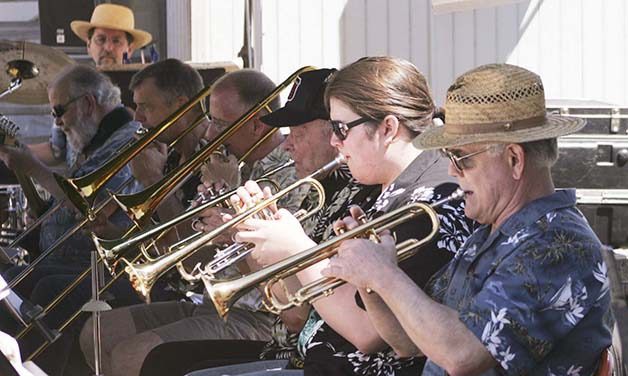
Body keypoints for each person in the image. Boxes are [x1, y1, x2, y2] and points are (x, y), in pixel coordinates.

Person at [322, 63, 614, 375]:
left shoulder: (556, 243)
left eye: (462, 158)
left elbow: (463, 355)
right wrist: (369, 279)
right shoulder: (491, 233)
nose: (451, 171)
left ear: (514, 159)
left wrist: (383, 275)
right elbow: (407, 342)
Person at [190, 56, 474, 376]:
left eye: (340, 128)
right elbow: (296, 303)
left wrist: (296, 249)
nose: (335, 142)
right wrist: (264, 234)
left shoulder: (432, 198)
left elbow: (368, 334)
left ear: (388, 128)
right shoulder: (375, 187)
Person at [136, 68, 381, 376]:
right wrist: (241, 235)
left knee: (163, 361)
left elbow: (294, 315)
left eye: (298, 133)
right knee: (160, 359)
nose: (287, 144)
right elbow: (285, 302)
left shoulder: (327, 189)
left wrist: (249, 234)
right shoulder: (322, 190)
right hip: (292, 344)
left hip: (295, 345)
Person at [78, 68, 304, 376]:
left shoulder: (290, 175)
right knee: (98, 331)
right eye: (211, 121)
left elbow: (268, 275)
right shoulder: (229, 163)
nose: (209, 134)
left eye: (221, 124)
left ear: (257, 124)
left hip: (259, 318)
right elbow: (191, 256)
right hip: (210, 301)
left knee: (133, 356)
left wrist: (225, 197)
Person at [0, 65, 142, 373]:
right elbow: (68, 203)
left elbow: (90, 207)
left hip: (105, 265)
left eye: (59, 111)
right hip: (74, 258)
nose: (57, 122)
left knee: (44, 286)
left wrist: (35, 168)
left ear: (89, 104)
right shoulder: (91, 140)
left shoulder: (127, 140)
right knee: (12, 278)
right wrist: (39, 205)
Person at [28, 3, 153, 168]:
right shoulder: (71, 89)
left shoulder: (146, 90)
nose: (108, 47)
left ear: (129, 49)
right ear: (88, 45)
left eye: (116, 41)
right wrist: (13, 151)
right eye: (101, 40)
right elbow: (56, 150)